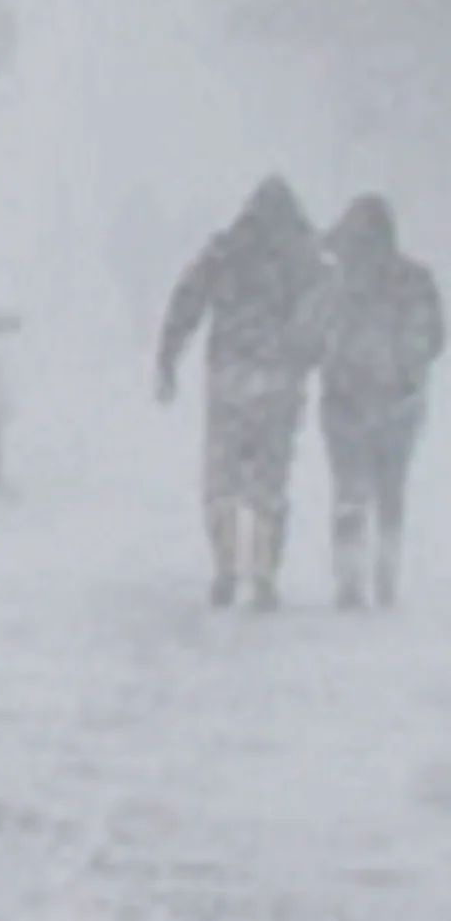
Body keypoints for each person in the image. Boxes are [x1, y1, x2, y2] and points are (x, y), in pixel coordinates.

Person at [158, 173, 329, 609]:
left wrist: (168, 359)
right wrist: (313, 358)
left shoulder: (225, 251)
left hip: (229, 375)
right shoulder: (304, 258)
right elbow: (326, 315)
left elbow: (187, 301)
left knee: (223, 475)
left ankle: (226, 564)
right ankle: (265, 571)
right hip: (280, 377)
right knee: (270, 477)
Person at [317, 194, 443, 609]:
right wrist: (407, 373)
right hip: (399, 404)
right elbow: (438, 337)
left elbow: (310, 332)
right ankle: (386, 574)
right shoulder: (416, 278)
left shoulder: (337, 282)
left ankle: (349, 579)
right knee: (391, 488)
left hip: (345, 402)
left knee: (349, 489)